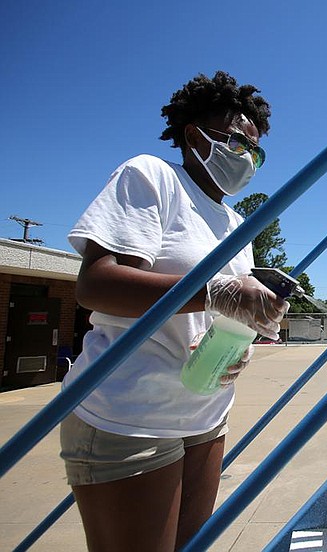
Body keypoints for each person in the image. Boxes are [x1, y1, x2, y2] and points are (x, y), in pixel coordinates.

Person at [59, 71, 287, 551]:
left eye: (255, 150)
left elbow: (212, 313)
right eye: (234, 141)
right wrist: (220, 295)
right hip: (127, 414)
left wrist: (244, 332)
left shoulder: (237, 223)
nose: (245, 157)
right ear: (193, 135)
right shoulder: (152, 177)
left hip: (203, 414)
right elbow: (97, 284)